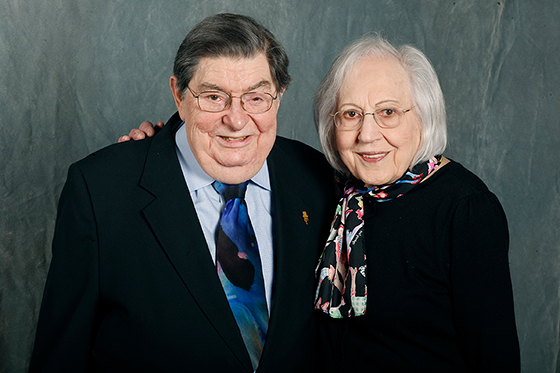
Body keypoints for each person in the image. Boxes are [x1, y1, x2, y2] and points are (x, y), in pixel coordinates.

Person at [29, 13, 336, 372]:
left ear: (279, 96)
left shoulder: (315, 178)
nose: (236, 120)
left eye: (256, 97)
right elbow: (61, 356)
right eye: (214, 97)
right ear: (179, 94)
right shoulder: (101, 191)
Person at [312, 35, 520, 371]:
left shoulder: (465, 209)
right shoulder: (336, 197)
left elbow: (494, 359)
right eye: (351, 114)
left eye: (388, 112)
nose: (367, 134)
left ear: (422, 117)